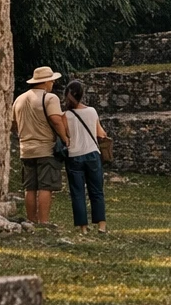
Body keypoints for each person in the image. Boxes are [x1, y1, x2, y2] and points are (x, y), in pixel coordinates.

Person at [13, 66, 70, 225]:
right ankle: (43, 221)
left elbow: (13, 123)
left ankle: (31, 220)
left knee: (30, 187)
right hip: (45, 148)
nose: (52, 83)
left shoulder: (19, 99)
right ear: (46, 82)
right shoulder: (50, 98)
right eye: (51, 80)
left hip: (26, 149)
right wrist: (65, 139)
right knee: (46, 186)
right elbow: (56, 120)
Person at [61, 78, 109, 235]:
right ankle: (101, 225)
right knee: (96, 191)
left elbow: (66, 136)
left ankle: (83, 227)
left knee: (77, 192)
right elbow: (101, 133)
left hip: (74, 155)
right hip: (92, 154)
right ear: (82, 95)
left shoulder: (65, 115)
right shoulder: (91, 111)